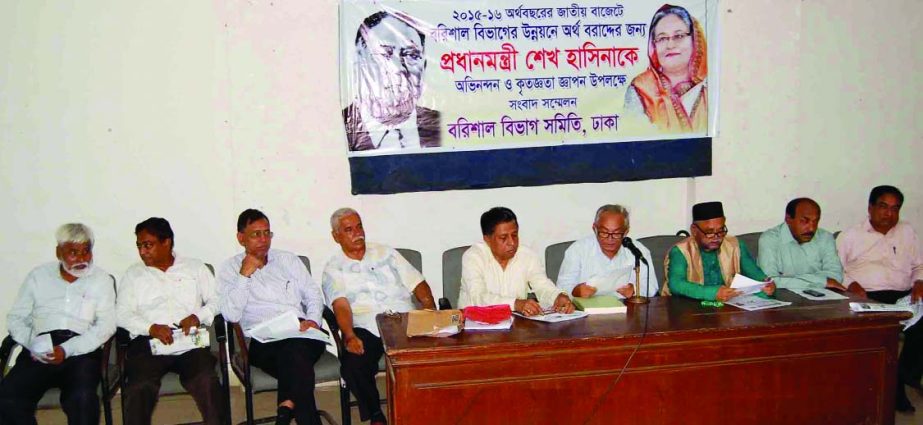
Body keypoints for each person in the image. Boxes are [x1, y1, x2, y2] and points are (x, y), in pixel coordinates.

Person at [322, 208, 436, 425]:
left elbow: (417, 283)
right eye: (349, 230)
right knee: (353, 365)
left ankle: (433, 407)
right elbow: (341, 306)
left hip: (405, 319)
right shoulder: (333, 269)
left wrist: (429, 310)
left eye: (359, 226)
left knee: (443, 352)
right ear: (336, 236)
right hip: (369, 326)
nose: (358, 233)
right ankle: (376, 415)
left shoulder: (386, 253)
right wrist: (348, 335)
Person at [218, 209, 327, 425]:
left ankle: (286, 411)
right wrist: (244, 276)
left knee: (295, 351)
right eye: (256, 234)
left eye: (267, 233)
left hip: (303, 333)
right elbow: (230, 315)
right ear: (241, 238)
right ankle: (289, 413)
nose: (263, 240)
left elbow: (313, 294)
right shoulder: (230, 269)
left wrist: (313, 320)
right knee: (296, 360)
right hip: (263, 341)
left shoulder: (288, 260)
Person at [0, 223, 116, 425]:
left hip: (81, 351)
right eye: (73, 252)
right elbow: (16, 318)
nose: (81, 259)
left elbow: (106, 325)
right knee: (8, 398)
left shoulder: (101, 280)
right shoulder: (38, 277)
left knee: (82, 399)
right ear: (58, 252)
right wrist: (33, 342)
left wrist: (66, 349)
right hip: (39, 348)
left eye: (86, 251)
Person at [116, 218, 225, 425]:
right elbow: (121, 314)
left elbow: (218, 300)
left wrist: (197, 317)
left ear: (166, 242)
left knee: (207, 382)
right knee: (139, 387)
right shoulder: (133, 275)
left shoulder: (194, 267)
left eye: (148, 245)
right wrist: (151, 328)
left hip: (189, 342)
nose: (142, 251)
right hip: (149, 343)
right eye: (139, 246)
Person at [837, 185, 923, 412]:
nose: (889, 214)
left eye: (895, 209)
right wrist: (850, 283)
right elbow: (835, 269)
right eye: (883, 207)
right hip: (869, 295)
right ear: (870, 208)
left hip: (905, 295)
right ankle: (898, 385)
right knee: (884, 332)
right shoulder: (850, 236)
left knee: (920, 328)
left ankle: (901, 377)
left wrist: (920, 281)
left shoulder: (907, 232)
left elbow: (919, 265)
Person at [343, 10, 441, 151]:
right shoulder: (337, 126)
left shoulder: (443, 127)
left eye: (411, 55)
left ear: (424, 67)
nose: (397, 69)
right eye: (384, 55)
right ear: (359, 65)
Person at [458, 207, 574, 315]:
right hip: (476, 325)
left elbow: (542, 285)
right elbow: (478, 297)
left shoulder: (527, 255)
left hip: (515, 325)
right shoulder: (473, 257)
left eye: (514, 235)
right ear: (487, 239)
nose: (512, 243)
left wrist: (557, 297)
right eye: (503, 238)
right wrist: (515, 304)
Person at [663, 201, 775, 301]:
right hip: (687, 310)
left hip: (728, 309)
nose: (716, 237)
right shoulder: (681, 251)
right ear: (694, 230)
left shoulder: (735, 245)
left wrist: (767, 284)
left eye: (721, 231)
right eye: (709, 232)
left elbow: (755, 273)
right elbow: (676, 284)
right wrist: (712, 293)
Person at [624, 4, 708, 133]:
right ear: (654, 46)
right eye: (662, 38)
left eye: (679, 36)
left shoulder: (709, 87)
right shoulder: (641, 90)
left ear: (694, 40)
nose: (670, 45)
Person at [557, 204, 659, 298]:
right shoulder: (578, 250)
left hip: (627, 309)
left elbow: (651, 286)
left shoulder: (637, 250)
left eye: (617, 233)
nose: (610, 239)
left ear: (626, 232)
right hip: (588, 311)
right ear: (594, 229)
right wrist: (576, 291)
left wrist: (635, 290)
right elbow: (562, 287)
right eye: (604, 233)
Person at [758, 198, 845, 292]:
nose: (811, 228)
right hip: (783, 297)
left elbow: (836, 276)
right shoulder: (769, 239)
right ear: (788, 219)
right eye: (804, 221)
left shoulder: (825, 238)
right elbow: (769, 282)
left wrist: (787, 279)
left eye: (815, 221)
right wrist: (822, 281)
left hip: (822, 298)